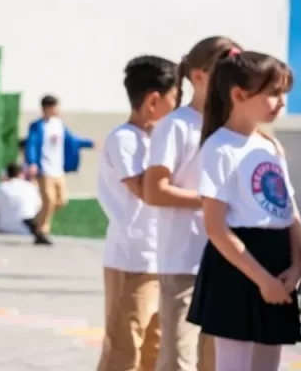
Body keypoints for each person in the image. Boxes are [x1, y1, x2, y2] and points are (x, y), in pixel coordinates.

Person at [187, 49, 301, 371]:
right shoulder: (219, 148)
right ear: (238, 94)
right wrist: (263, 280)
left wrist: (296, 267)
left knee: (268, 364)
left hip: (278, 264)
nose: (281, 102)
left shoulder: (270, 145)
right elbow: (216, 228)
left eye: (284, 93)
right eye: (273, 93)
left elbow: (289, 213)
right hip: (238, 267)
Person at [142, 35, 239, 371]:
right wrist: (209, 203)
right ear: (198, 76)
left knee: (216, 359)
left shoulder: (232, 128)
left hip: (224, 259)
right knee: (177, 358)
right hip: (182, 261)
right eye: (223, 72)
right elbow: (155, 191)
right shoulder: (175, 126)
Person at [95, 55, 179, 371]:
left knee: (154, 350)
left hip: (162, 258)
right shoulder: (125, 139)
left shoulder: (154, 139)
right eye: (175, 98)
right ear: (154, 100)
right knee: (123, 349)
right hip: (133, 260)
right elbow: (148, 191)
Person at [24, 94, 94, 244]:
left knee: (61, 200)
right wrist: (32, 163)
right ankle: (42, 231)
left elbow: (72, 140)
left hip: (58, 170)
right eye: (55, 107)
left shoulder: (59, 125)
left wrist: (90, 143)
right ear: (47, 108)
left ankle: (35, 221)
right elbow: (32, 144)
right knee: (48, 200)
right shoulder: (37, 126)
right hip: (44, 170)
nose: (58, 110)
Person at [0, 163, 42, 234]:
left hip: (3, 228)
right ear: (21, 173)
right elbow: (38, 207)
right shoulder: (31, 187)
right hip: (26, 230)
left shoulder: (1, 187)